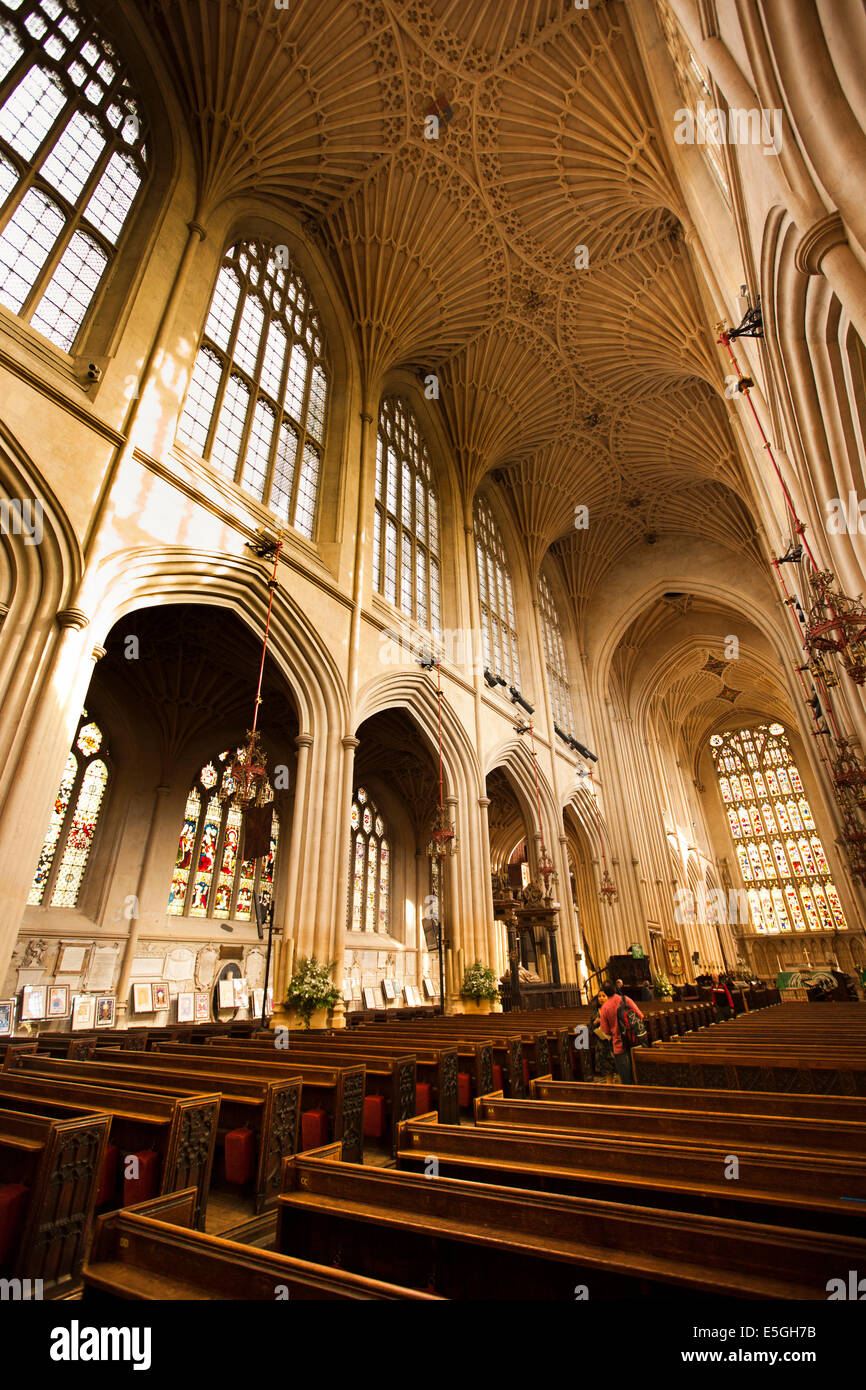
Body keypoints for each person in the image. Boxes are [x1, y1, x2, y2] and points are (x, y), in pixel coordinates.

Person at [599, 979, 644, 1084]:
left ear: (605, 992)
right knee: (640, 1075)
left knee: (626, 1079)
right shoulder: (625, 999)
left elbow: (605, 1030)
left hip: (619, 1045)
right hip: (634, 1041)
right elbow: (640, 1016)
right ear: (615, 988)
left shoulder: (605, 1007)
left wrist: (615, 1031)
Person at [590, 990, 617, 1083]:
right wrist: (594, 1023)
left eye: (603, 996)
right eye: (599, 996)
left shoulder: (613, 1009)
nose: (601, 998)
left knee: (617, 1069)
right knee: (607, 1070)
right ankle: (610, 1089)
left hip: (613, 1042)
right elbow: (590, 1028)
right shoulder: (595, 1011)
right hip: (601, 1043)